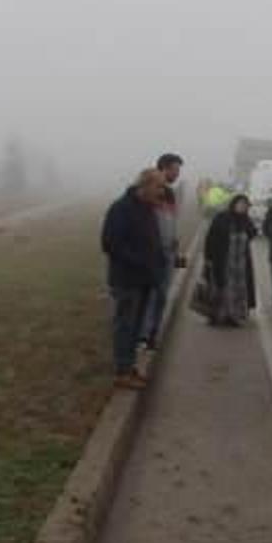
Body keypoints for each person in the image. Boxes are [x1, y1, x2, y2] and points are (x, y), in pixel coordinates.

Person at [101, 169, 167, 390]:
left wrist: (157, 264)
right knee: (125, 326)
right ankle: (122, 371)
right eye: (158, 187)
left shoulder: (147, 208)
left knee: (136, 327)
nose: (161, 192)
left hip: (145, 279)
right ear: (145, 185)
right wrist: (140, 261)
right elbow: (110, 244)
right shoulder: (121, 208)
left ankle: (129, 367)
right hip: (127, 279)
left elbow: (153, 241)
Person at [140, 153, 185, 351]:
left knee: (161, 296)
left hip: (168, 252)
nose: (177, 173)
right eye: (175, 169)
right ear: (164, 169)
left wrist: (176, 247)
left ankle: (152, 335)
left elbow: (171, 222)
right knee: (150, 295)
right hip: (153, 253)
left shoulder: (170, 193)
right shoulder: (150, 192)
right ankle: (143, 335)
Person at [204, 194, 258, 327]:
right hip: (224, 261)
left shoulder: (245, 220)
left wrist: (249, 226)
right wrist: (208, 258)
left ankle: (234, 316)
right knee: (223, 288)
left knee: (239, 290)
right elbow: (211, 238)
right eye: (240, 204)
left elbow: (253, 233)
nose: (243, 207)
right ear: (234, 204)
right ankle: (220, 316)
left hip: (241, 263)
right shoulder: (221, 217)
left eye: (245, 205)